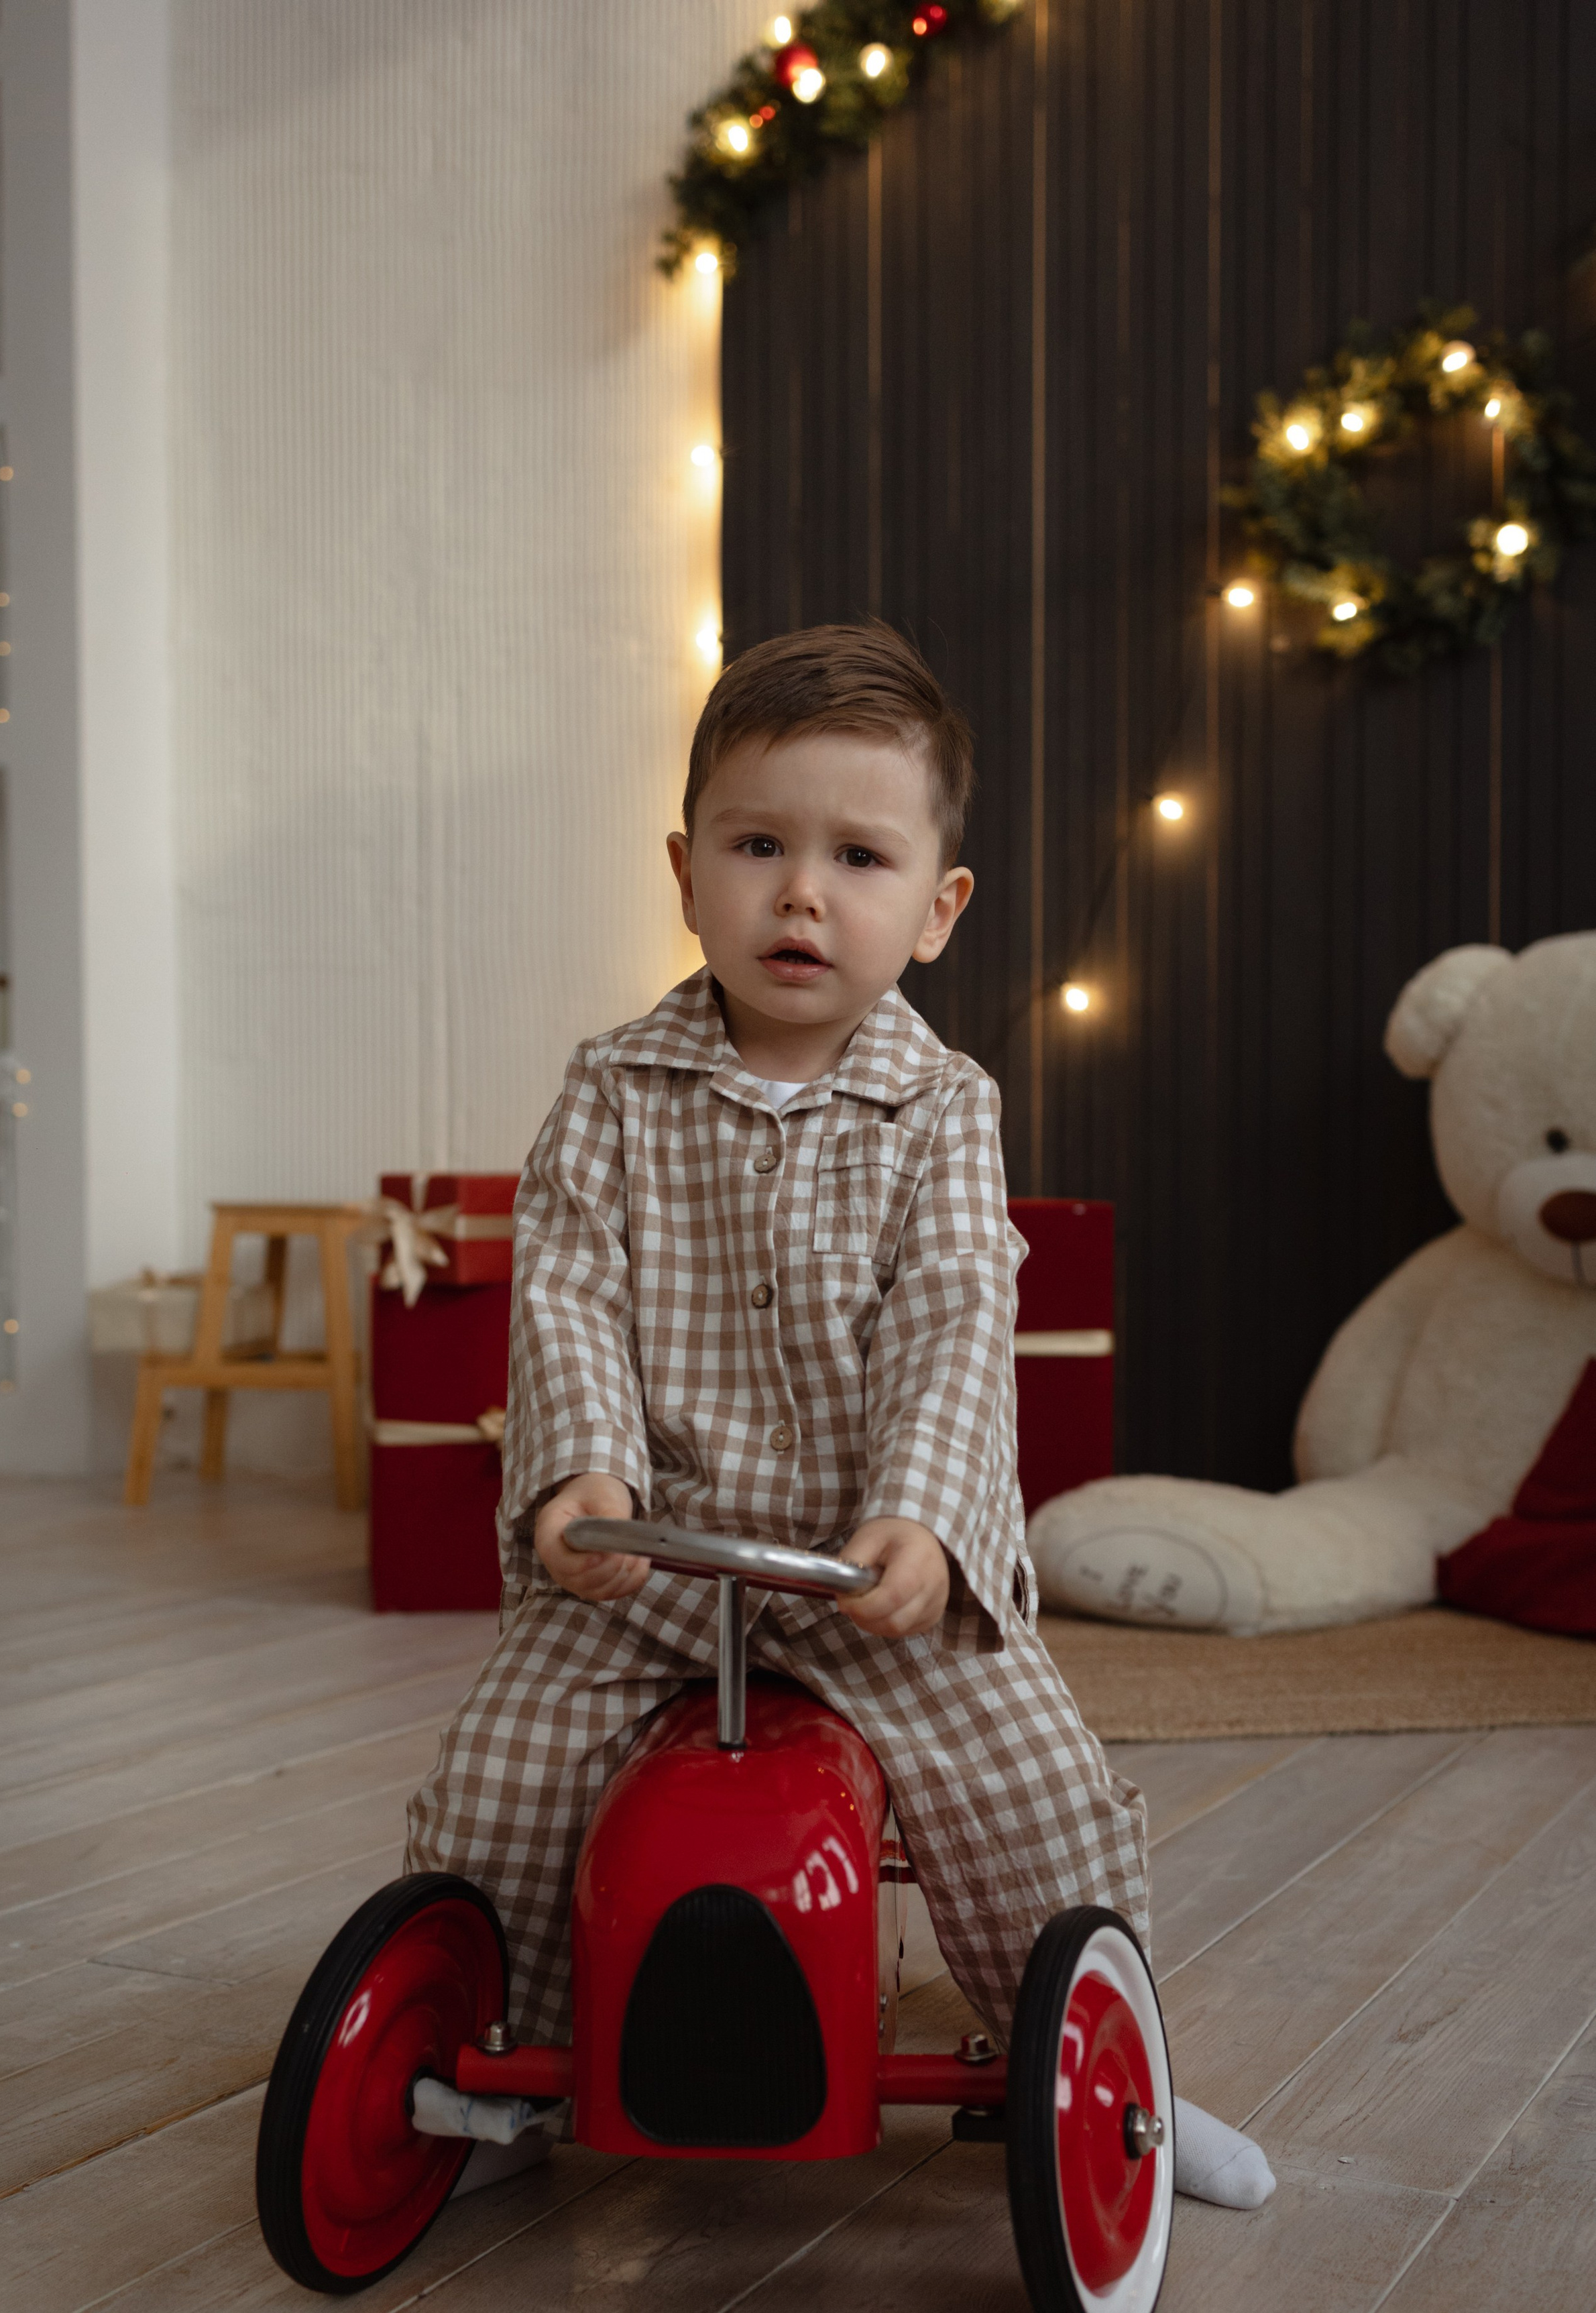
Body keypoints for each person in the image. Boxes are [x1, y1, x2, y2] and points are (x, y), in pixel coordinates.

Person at [407, 622, 1273, 2212]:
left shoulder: (941, 1109)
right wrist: (582, 1479)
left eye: (857, 858)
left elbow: (954, 1315)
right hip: (652, 1568)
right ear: (686, 874)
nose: (800, 895)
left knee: (1036, 1793)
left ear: (936, 908)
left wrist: (922, 1521)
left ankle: (1095, 2064)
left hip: (866, 1575)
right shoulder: (610, 1091)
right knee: (498, 1778)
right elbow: (567, 1291)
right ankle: (494, 2067)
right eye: (757, 847)